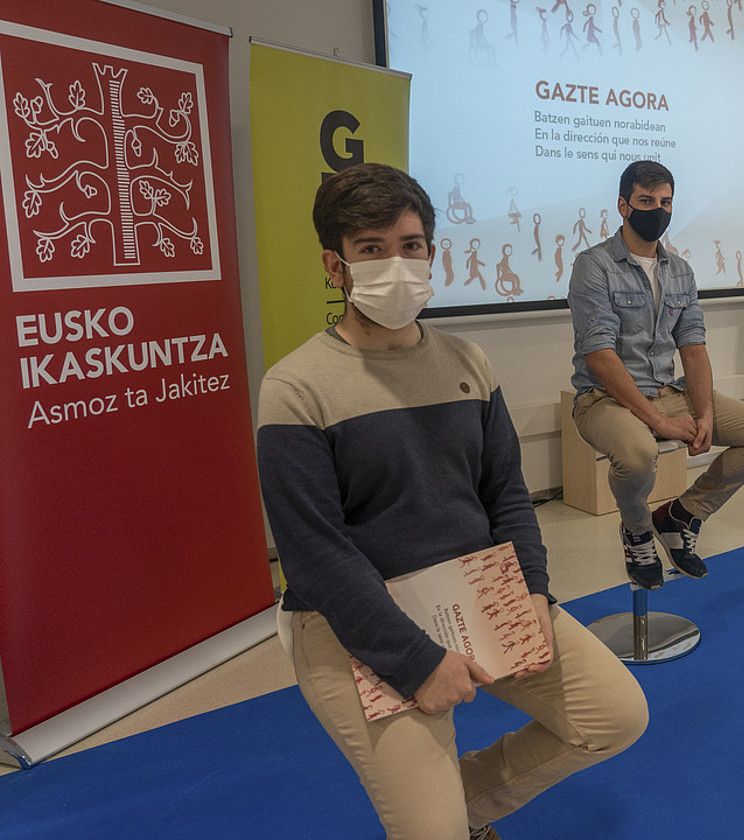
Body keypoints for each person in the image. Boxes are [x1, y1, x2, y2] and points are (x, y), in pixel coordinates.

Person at [257, 164, 646, 840]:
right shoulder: (296, 388)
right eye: (371, 249)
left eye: (410, 245)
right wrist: (414, 661)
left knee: (615, 716)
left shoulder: (469, 363)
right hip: (355, 618)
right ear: (334, 264)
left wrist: (532, 589)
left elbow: (508, 494)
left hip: (479, 592)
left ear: (431, 252)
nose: (397, 264)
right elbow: (315, 554)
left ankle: (453, 805)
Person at [567, 160, 744, 589]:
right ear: (623, 205)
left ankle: (681, 515)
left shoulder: (680, 271)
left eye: (666, 202)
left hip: (669, 390)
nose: (658, 210)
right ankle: (636, 531)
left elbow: (693, 346)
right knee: (638, 456)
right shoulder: (593, 265)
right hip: (603, 399)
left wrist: (704, 413)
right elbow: (598, 356)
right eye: (646, 201)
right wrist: (660, 423)